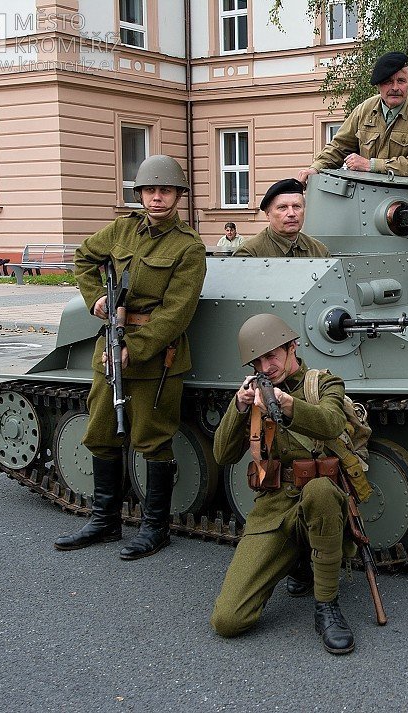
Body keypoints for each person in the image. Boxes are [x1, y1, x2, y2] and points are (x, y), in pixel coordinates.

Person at [55, 155, 206, 560]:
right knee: (101, 431)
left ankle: (156, 528)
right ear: (139, 194)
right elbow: (85, 257)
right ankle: (105, 521)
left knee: (153, 440)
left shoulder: (188, 246)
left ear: (178, 196)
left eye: (166, 191)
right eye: (150, 191)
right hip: (111, 346)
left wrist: (134, 350)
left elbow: (178, 311)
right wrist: (97, 299)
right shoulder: (122, 231)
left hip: (159, 358)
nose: (157, 198)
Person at [210, 314, 357, 655]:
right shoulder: (254, 395)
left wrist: (290, 406)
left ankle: (326, 606)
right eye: (258, 360)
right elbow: (222, 455)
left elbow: (332, 422)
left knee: (320, 490)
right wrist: (238, 406)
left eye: (272, 354)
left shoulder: (323, 384)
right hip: (274, 506)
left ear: (293, 346)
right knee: (228, 620)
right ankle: (296, 559)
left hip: (320, 500)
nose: (267, 365)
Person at [298, 52, 408, 184]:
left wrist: (371, 165)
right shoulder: (364, 109)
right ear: (378, 85)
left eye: (401, 81)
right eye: (388, 82)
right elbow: (339, 146)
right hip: (365, 193)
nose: (395, 87)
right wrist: (315, 168)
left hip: (405, 196)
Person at [234, 179, 330, 258]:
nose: (291, 213)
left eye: (297, 206)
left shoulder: (319, 251)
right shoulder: (250, 252)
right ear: (268, 214)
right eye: (282, 207)